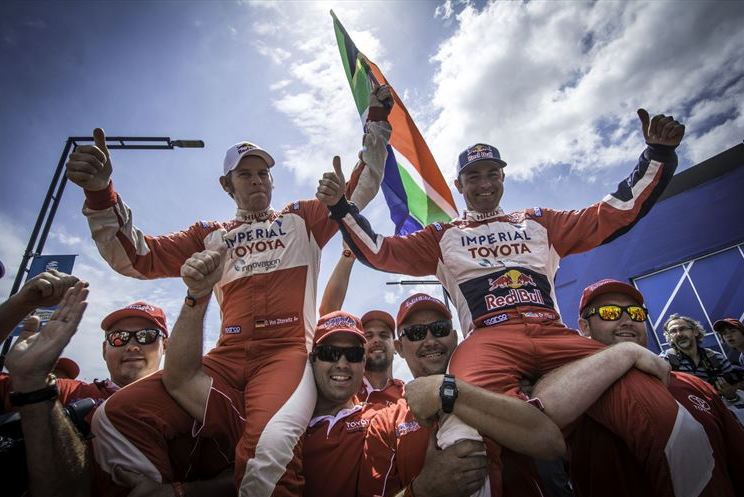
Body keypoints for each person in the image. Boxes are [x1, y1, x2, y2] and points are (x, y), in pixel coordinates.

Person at [318, 109, 712, 496]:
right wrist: (340, 209)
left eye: (492, 173)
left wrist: (657, 155)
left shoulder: (538, 221)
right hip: (488, 340)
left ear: (503, 177)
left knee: (660, 410)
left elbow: (610, 214)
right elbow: (380, 251)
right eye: (474, 176)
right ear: (459, 184)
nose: (484, 184)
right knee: (461, 434)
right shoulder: (443, 235)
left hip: (554, 333)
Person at [68, 86, 394, 496]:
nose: (257, 180)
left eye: (263, 173)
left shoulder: (303, 218)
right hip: (225, 359)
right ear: (227, 184)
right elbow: (135, 257)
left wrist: (377, 119)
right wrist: (100, 193)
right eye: (246, 174)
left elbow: (362, 188)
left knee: (267, 451)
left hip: (285, 354)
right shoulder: (210, 235)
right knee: (114, 417)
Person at [531, 278, 744, 497]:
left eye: (636, 313)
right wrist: (626, 352)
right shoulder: (578, 391)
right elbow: (540, 411)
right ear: (585, 326)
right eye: (610, 312)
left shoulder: (693, 384)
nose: (627, 320)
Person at [361, 293, 566, 497]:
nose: (430, 340)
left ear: (454, 337)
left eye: (439, 329)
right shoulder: (384, 425)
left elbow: (551, 443)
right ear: (399, 348)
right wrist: (423, 490)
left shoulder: (502, 389)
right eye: (416, 333)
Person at [4, 282, 91, 497]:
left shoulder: (89, 392)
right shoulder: (65, 389)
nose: (132, 345)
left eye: (146, 336)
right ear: (105, 348)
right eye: (119, 338)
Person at [318, 245, 403, 406]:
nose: (376, 340)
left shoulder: (407, 394)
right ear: (359, 348)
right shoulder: (344, 384)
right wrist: (348, 256)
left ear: (397, 347)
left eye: (384, 335)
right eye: (368, 336)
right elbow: (328, 314)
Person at [661, 313, 741, 401]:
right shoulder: (665, 360)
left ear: (695, 331)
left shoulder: (716, 358)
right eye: (673, 331)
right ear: (670, 337)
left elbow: (737, 391)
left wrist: (731, 396)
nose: (679, 334)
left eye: (683, 329)